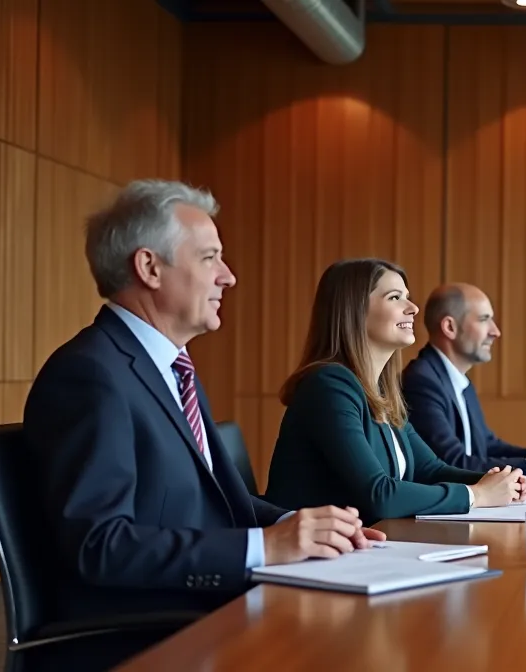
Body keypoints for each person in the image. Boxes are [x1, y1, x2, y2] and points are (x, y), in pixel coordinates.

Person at [22, 180, 385, 625]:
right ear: (149, 268)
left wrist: (306, 525)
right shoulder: (89, 376)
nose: (228, 276)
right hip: (151, 632)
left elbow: (218, 502)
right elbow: (101, 545)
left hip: (211, 608)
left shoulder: (170, 367)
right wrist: (266, 547)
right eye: (210, 257)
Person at [265, 260, 526, 522]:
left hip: (359, 548)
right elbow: (379, 495)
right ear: (355, 311)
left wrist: (497, 482)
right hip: (310, 559)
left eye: (408, 297)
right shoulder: (328, 385)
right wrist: (477, 495)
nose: (413, 308)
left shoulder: (379, 389)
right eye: (395, 298)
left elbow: (430, 469)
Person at [402, 283, 526, 478]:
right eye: (484, 320)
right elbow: (451, 463)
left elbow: (486, 445)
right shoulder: (421, 382)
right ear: (450, 327)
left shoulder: (458, 381)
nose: (495, 331)